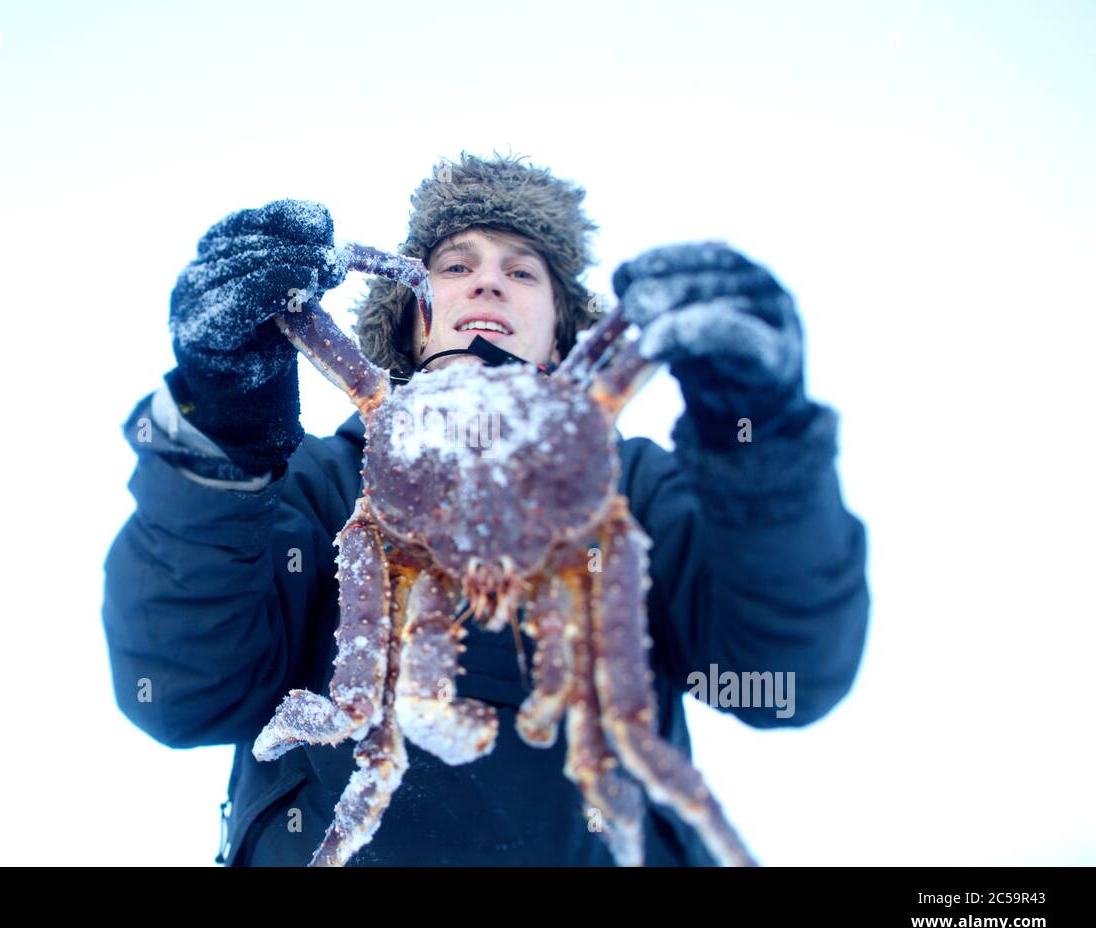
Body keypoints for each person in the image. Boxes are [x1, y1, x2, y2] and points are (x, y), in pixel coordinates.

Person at [101, 150, 870, 866]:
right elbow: (184, 691)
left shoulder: (630, 489)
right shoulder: (327, 480)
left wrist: (759, 435)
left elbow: (787, 674)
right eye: (456, 265)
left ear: (566, 329)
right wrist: (220, 417)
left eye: (522, 272)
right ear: (410, 317)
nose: (487, 281)